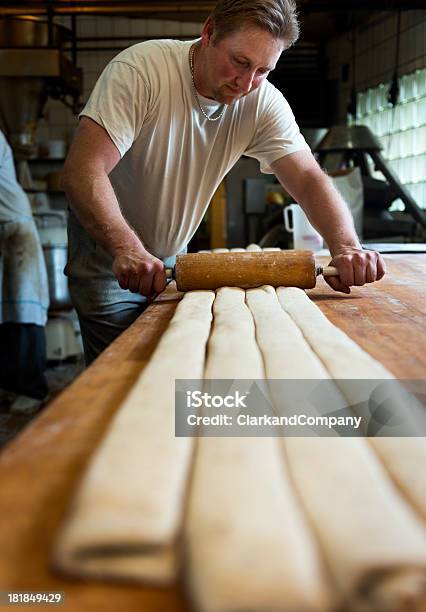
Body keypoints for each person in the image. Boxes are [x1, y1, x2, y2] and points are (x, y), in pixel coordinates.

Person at [62, 0, 385, 366]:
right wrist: (128, 249)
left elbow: (309, 179)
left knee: (170, 370)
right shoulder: (142, 71)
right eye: (241, 62)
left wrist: (346, 246)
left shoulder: (261, 101)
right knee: (118, 384)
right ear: (209, 33)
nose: (246, 84)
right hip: (110, 260)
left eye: (264, 70)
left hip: (168, 263)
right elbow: (82, 171)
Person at [0, 129, 49, 404]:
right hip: (4, 231)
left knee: (22, 309)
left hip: (13, 230)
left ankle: (31, 390)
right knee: (8, 312)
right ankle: (10, 388)